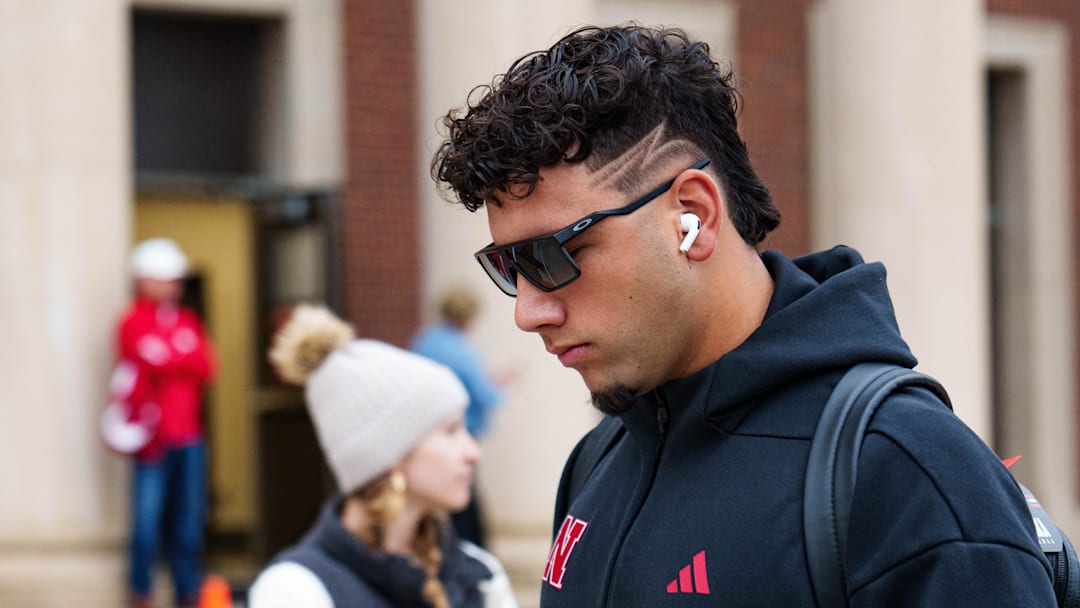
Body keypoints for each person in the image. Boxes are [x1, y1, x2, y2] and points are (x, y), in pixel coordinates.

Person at [430, 24, 1058, 606]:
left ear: (694, 216)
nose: (529, 312)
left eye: (554, 255)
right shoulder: (598, 462)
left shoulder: (904, 471)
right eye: (510, 266)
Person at [248, 304, 517, 608]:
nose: (472, 452)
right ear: (392, 452)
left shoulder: (480, 574)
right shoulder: (295, 591)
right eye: (451, 430)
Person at [116, 237, 217, 608]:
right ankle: (141, 594)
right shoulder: (132, 321)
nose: (173, 286)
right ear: (144, 280)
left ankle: (187, 594)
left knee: (188, 526)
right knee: (146, 525)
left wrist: (168, 356)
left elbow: (206, 367)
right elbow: (142, 362)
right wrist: (178, 355)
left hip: (189, 437)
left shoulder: (188, 321)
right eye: (165, 279)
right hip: (152, 442)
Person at [411, 284, 504, 548]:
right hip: (460, 429)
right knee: (465, 497)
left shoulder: (424, 341)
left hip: (426, 431)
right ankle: (473, 551)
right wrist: (499, 386)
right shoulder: (462, 351)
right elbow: (484, 395)